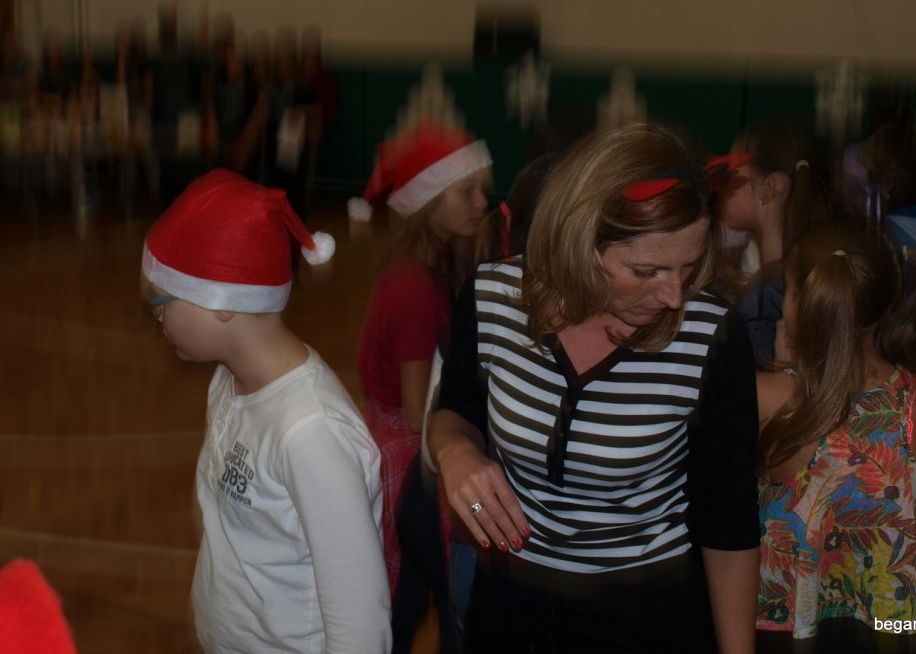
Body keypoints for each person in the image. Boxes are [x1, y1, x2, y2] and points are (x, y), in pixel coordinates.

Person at [428, 122, 761, 654]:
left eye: (689, 266)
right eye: (646, 271)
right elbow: (454, 412)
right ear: (579, 241)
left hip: (648, 618)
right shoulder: (493, 298)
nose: (674, 296)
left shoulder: (711, 337)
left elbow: (729, 519)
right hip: (508, 608)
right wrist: (455, 453)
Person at [141, 169, 390, 653]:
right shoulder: (227, 379)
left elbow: (360, 625)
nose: (156, 316)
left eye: (162, 301)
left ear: (221, 301)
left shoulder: (310, 432)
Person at [755, 218, 916, 648]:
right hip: (889, 632)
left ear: (803, 301)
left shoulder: (762, 397)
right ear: (885, 301)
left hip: (781, 634)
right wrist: (866, 554)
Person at [353, 120, 491, 652]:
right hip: (408, 460)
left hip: (412, 456)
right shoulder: (413, 286)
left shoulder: (431, 267)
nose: (481, 202)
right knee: (406, 607)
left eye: (481, 189)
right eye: (466, 191)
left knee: (410, 604)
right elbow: (417, 414)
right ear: (430, 201)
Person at [718, 118, 832, 367]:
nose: (723, 181)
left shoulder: (765, 295)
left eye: (733, 170)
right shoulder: (814, 268)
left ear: (766, 188)